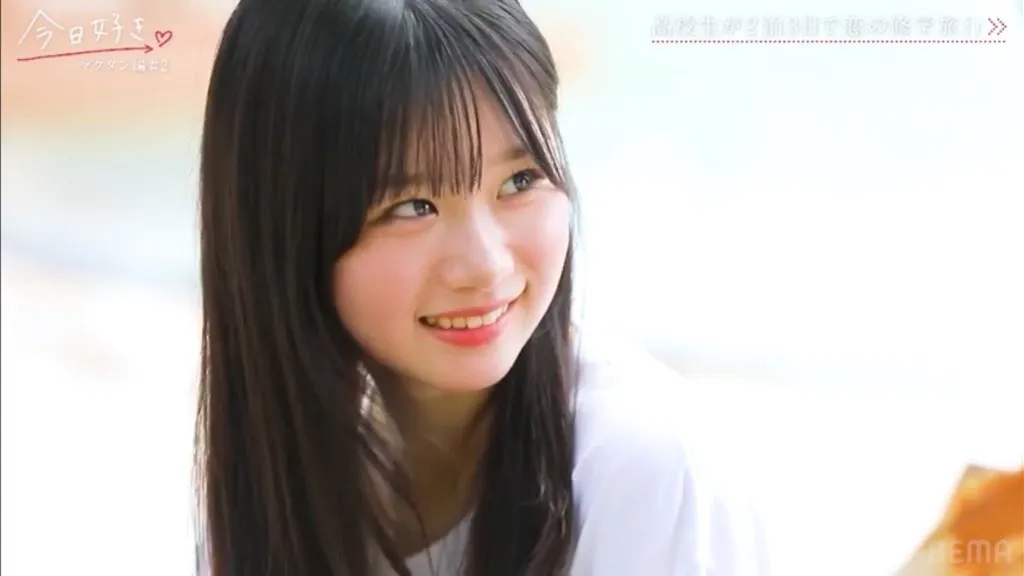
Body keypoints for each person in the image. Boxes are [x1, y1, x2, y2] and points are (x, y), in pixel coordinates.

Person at [194, 0, 772, 574]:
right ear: (280, 224)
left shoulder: (647, 474)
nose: (486, 266)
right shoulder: (279, 486)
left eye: (520, 180)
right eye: (413, 206)